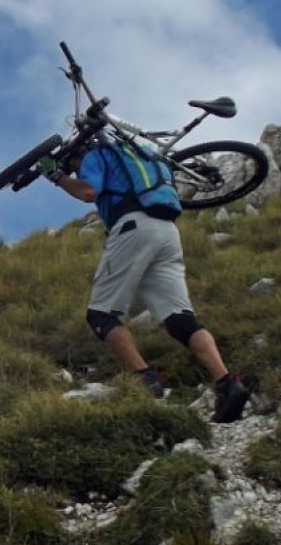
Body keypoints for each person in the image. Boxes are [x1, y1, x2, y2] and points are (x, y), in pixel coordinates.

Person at [39, 140, 249, 424]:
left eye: (74, 166)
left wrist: (58, 178)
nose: (77, 170)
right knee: (181, 319)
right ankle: (227, 382)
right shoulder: (143, 156)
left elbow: (88, 191)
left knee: (101, 314)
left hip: (132, 227)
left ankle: (144, 378)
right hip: (167, 232)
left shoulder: (94, 156)